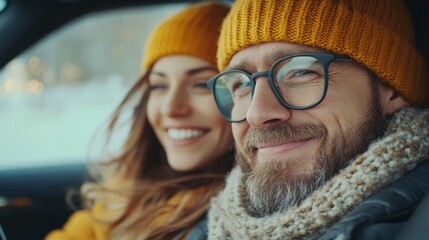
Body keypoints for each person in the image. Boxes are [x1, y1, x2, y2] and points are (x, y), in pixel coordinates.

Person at [205, 0, 429, 239]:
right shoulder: (202, 226)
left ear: (390, 87)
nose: (257, 114)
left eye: (301, 71)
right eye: (241, 84)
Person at [45, 2, 233, 240]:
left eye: (201, 85)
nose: (170, 107)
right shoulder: (129, 185)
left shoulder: (224, 220)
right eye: (159, 85)